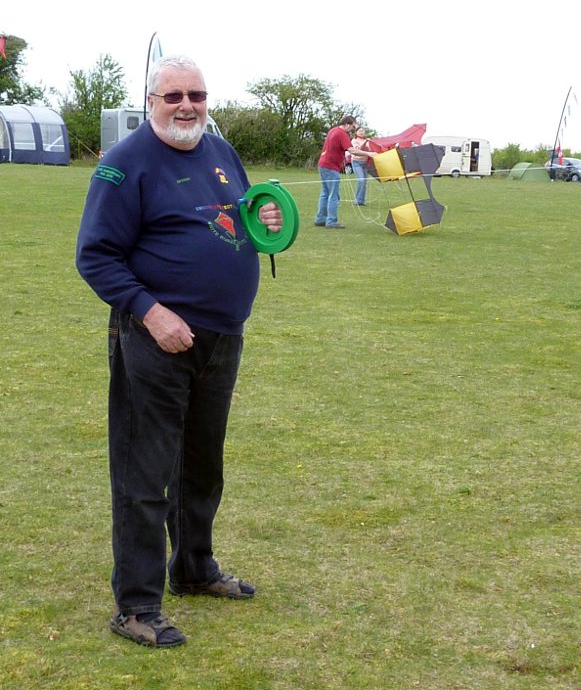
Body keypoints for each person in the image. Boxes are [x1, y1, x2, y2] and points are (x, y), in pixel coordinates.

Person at [75, 55, 283, 648]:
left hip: (222, 336)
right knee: (145, 472)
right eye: (173, 96)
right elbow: (95, 255)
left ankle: (193, 568)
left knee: (201, 465)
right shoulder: (124, 163)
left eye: (197, 94)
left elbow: (237, 215)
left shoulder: (221, 151)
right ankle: (136, 605)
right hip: (154, 337)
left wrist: (264, 218)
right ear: (151, 102)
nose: (187, 105)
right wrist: (151, 310)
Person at [314, 116, 376, 229]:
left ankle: (320, 219)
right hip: (331, 167)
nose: (352, 129)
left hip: (323, 164)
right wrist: (369, 154)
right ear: (347, 124)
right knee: (334, 195)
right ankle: (331, 221)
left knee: (325, 193)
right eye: (352, 126)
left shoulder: (333, 130)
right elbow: (351, 150)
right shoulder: (342, 134)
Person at [350, 126, 370, 206]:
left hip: (366, 163)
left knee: (364, 182)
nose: (361, 132)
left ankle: (362, 201)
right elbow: (357, 149)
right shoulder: (354, 140)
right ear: (356, 132)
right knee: (361, 180)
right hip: (356, 162)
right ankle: (357, 200)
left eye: (363, 131)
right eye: (360, 131)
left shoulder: (368, 140)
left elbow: (371, 148)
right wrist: (366, 144)